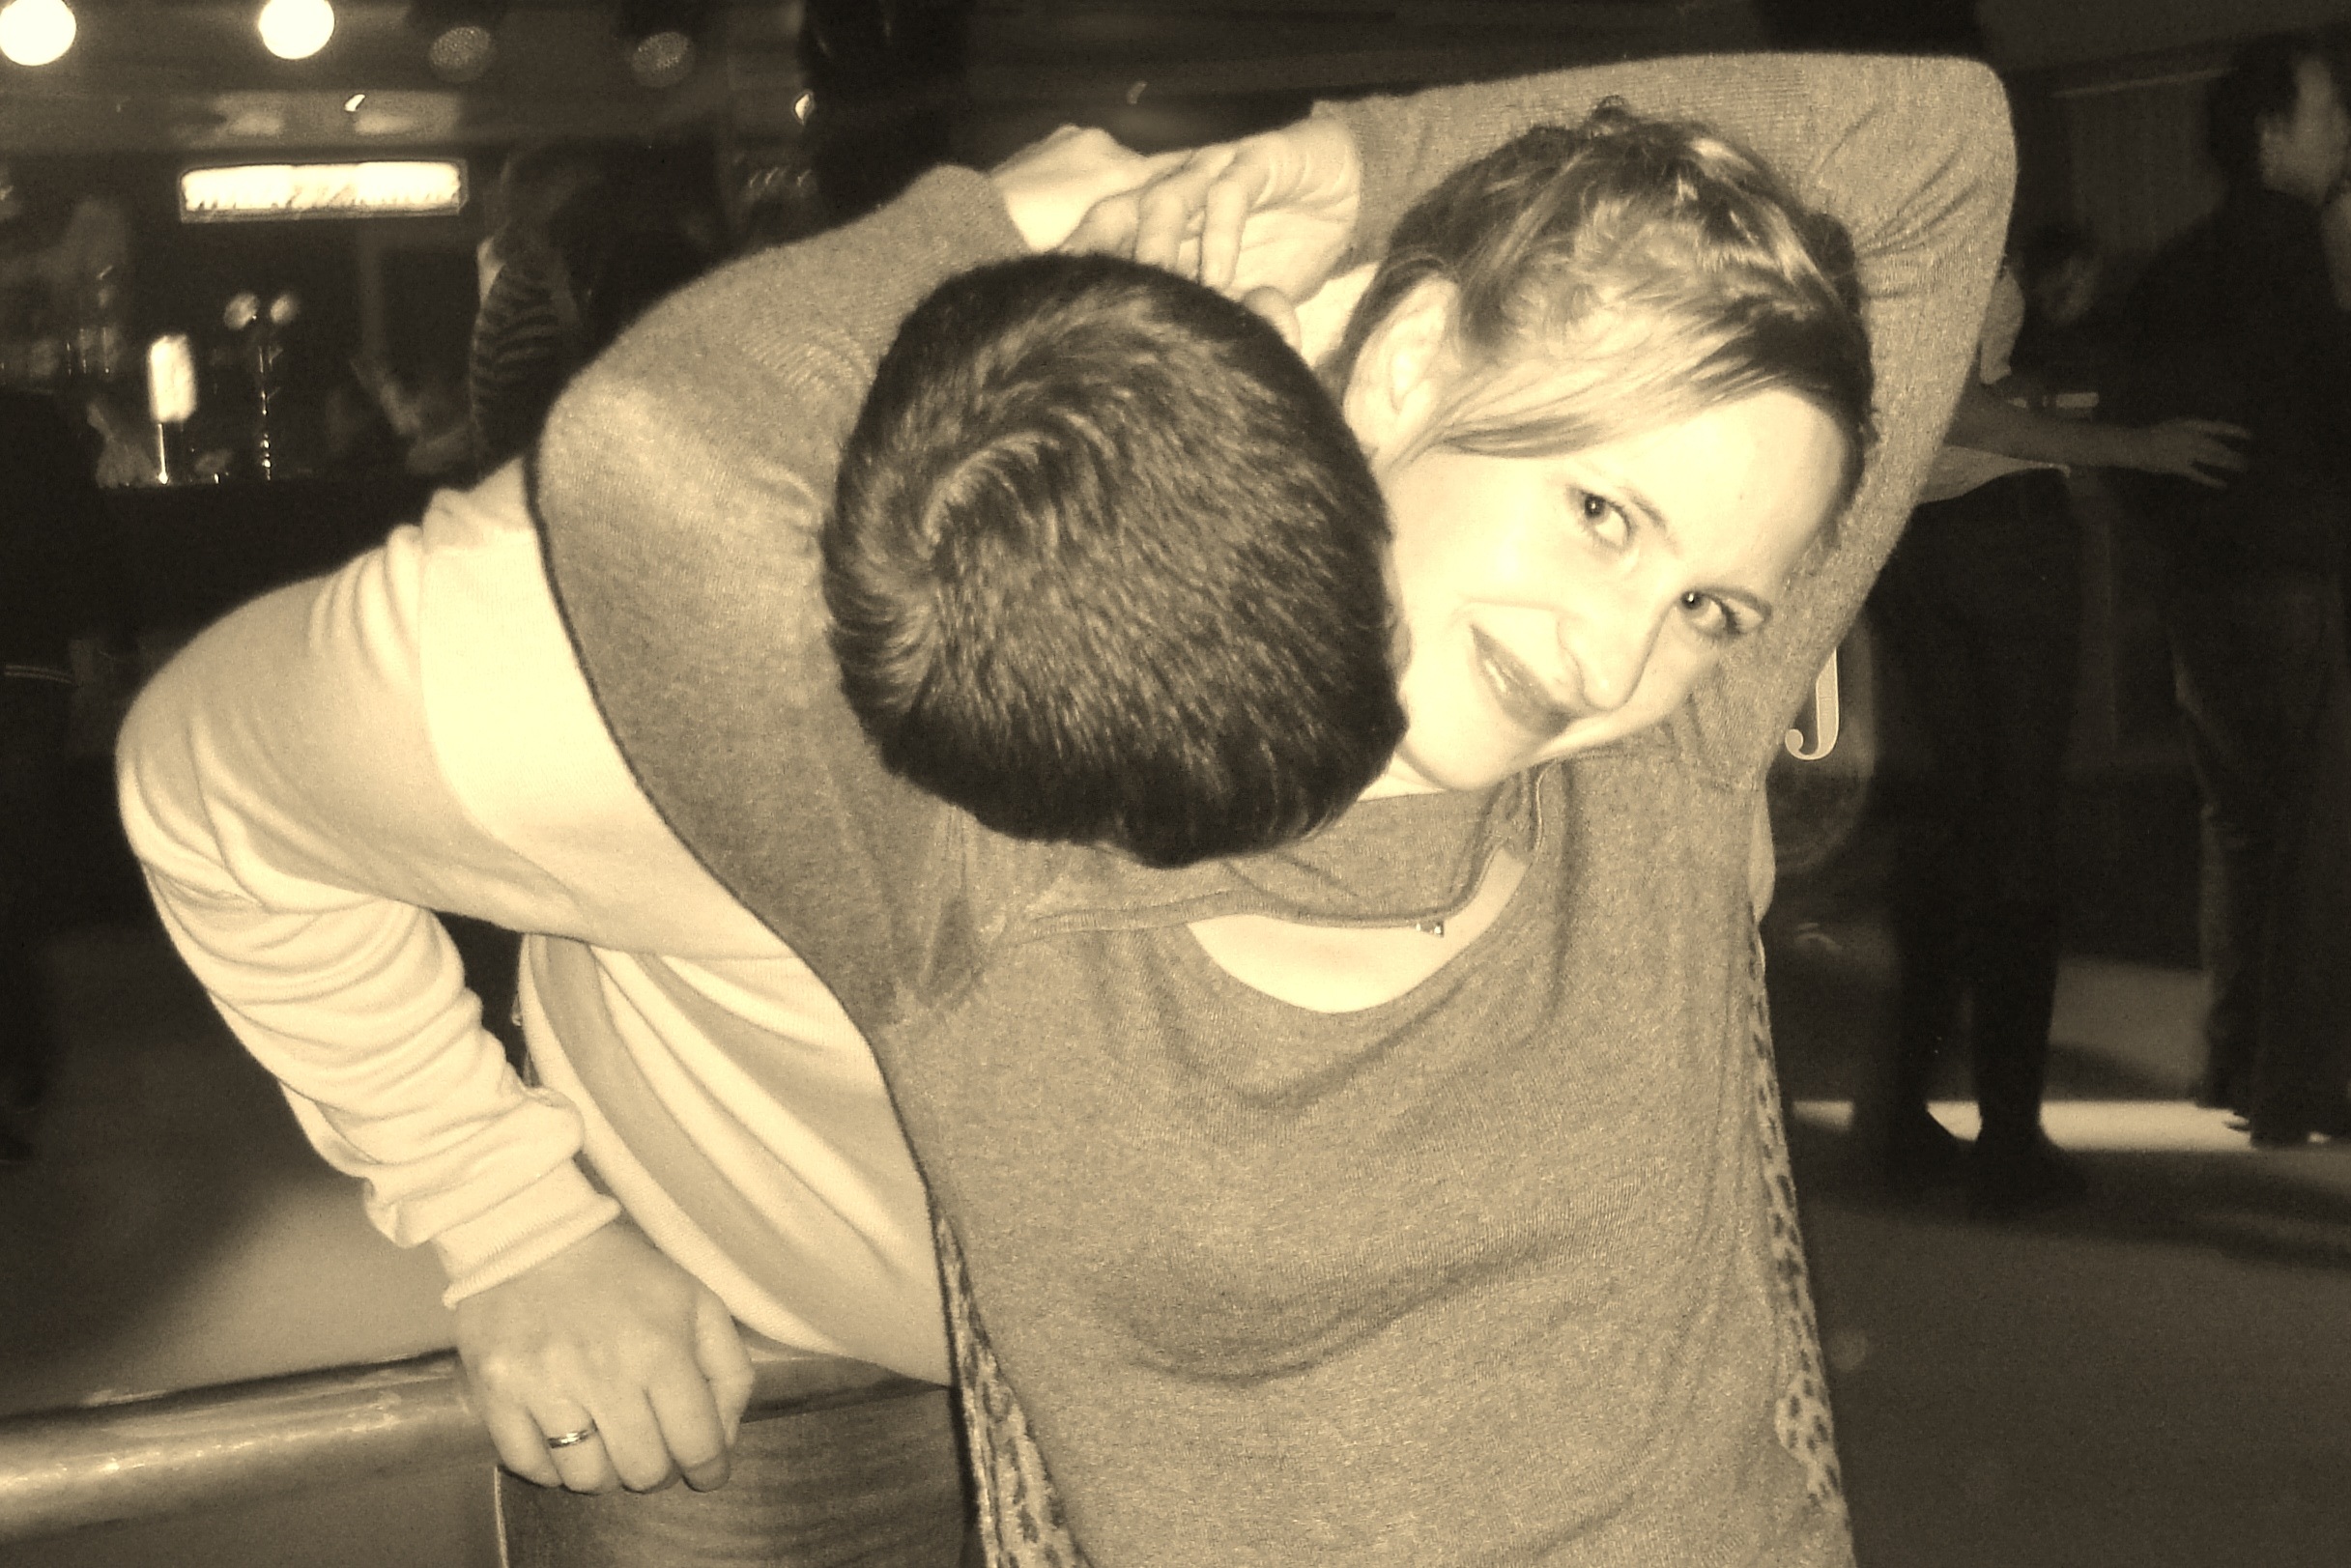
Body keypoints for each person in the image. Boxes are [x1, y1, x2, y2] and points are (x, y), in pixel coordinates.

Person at [125, 53, 2005, 1568]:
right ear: (1404, 360)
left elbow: (1938, 153)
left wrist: (1349, 165)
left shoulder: (1653, 761)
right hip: (740, 1335)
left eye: (1713, 605)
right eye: (1595, 511)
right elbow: (640, 467)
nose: (1615, 658)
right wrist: (505, 1216)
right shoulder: (942, 787)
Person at [1860, 247, 2246, 1215]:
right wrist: (2136, 446)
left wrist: (2017, 389)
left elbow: (1929, 397)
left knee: (1962, 825)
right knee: (2019, 834)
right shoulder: (1955, 213)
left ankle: (1906, 1114)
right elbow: (1959, 411)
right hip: (1998, 534)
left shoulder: (1876, 228)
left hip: (1910, 537)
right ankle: (2006, 1140)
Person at [2107, 32, 2351, 1148]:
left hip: (2204, 587)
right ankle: (2297, 1085)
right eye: (2327, 113)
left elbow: (2133, 440)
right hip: (2300, 574)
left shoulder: (2175, 269)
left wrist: (2182, 543)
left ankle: (2230, 1056)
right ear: (2271, 135)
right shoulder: (2307, 257)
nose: (2343, 131)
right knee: (2317, 842)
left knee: (2242, 828)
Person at [1, 385, 131, 1164]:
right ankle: (25, 1048)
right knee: (16, 874)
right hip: (30, 665)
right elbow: (88, 531)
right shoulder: (33, 421)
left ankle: (22, 1048)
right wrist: (114, 637)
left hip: (31, 666)